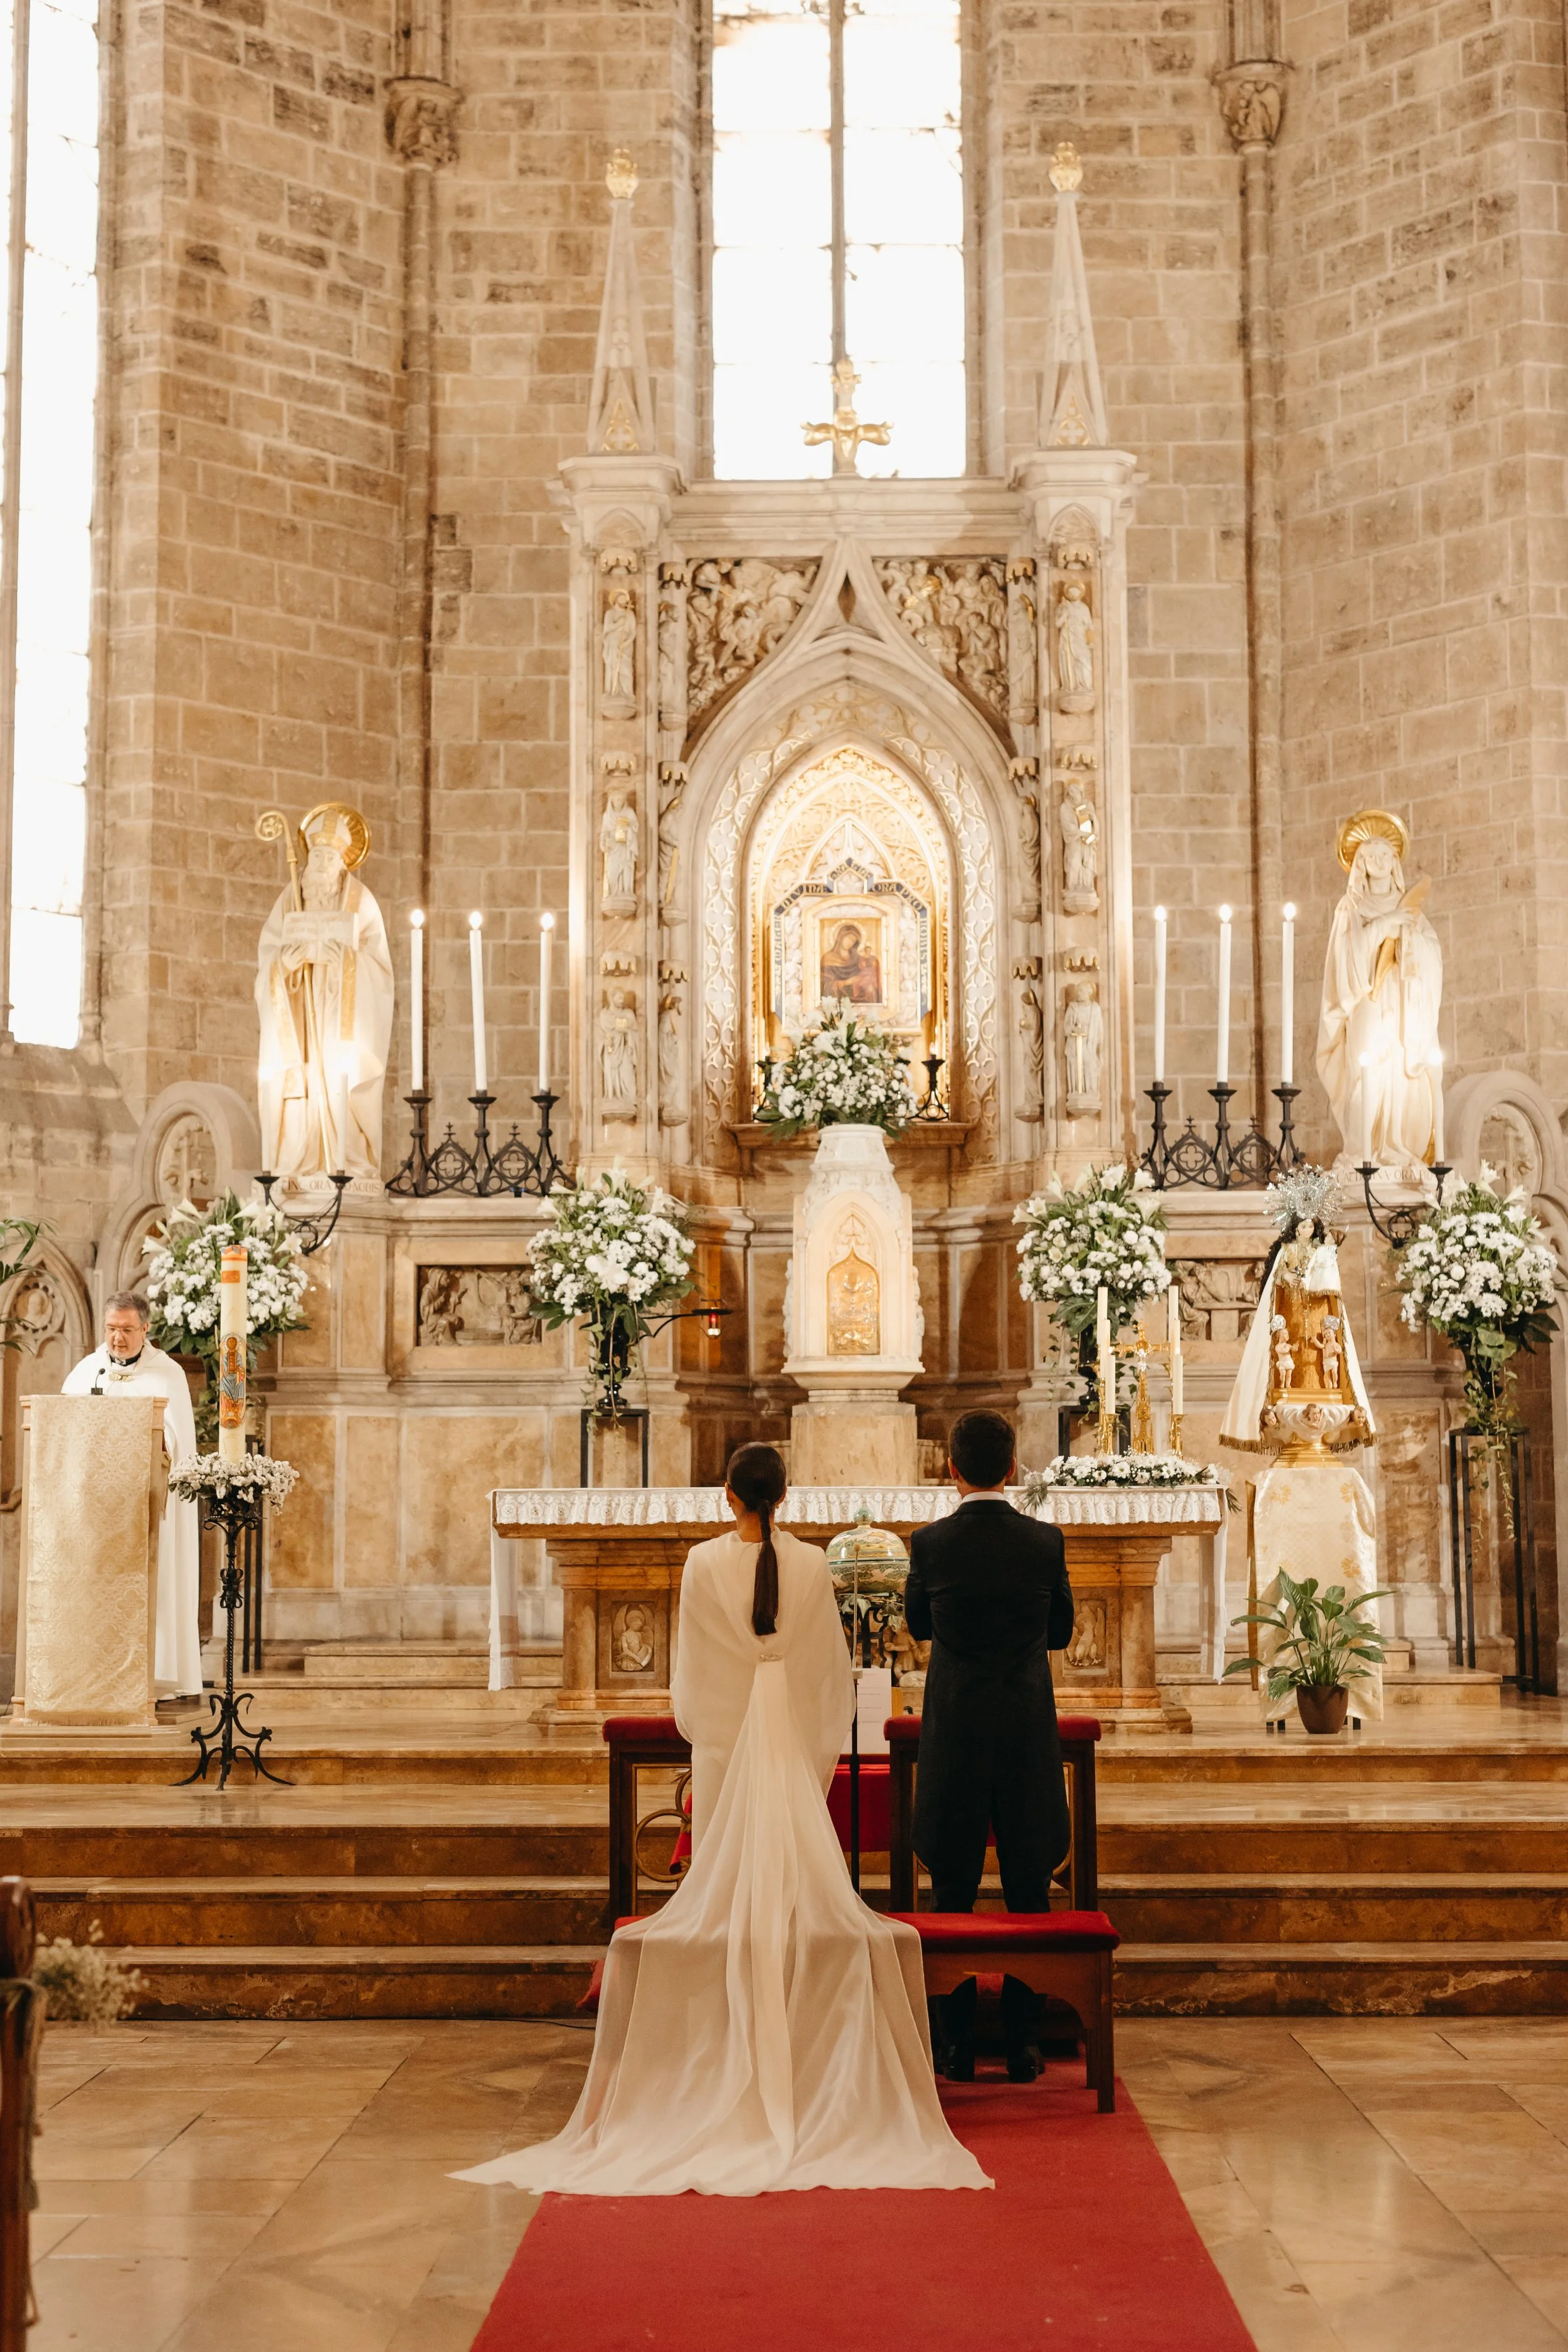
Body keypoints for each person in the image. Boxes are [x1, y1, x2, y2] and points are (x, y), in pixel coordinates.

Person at [457, 1443, 987, 2198]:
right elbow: (824, 1676)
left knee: (724, 1890)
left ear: (728, 1496)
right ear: (787, 1495)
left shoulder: (704, 1563)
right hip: (787, 1744)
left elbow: (695, 1678)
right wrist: (805, 1752)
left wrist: (714, 1734)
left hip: (729, 1742)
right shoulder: (811, 1564)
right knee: (801, 1896)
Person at [904, 1409, 1075, 2083]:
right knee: (1029, 1884)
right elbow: (1059, 1631)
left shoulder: (930, 1542)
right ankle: (1024, 2045)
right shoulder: (1043, 1541)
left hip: (956, 1724)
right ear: (1011, 1467)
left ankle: (955, 2048)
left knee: (952, 1886)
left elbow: (919, 1623)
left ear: (951, 1469)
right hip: (1025, 1723)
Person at [61, 1292, 203, 1698]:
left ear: (146, 1329)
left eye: (126, 1330)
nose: (117, 1339)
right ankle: (92, 1675)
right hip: (96, 1510)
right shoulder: (87, 1370)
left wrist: (159, 1444)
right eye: (111, 1329)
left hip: (145, 1504)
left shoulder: (167, 1373)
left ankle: (151, 1678)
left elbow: (175, 1437)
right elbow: (64, 1424)